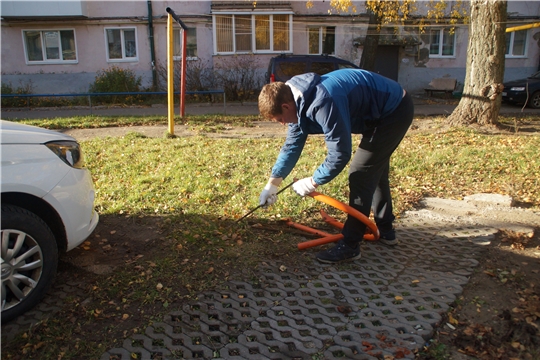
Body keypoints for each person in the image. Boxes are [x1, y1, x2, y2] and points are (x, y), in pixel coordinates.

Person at [257, 68, 414, 264]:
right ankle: (386, 230)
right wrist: (272, 185)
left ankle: (350, 245)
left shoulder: (323, 100)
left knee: (361, 173)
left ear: (286, 106)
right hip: (377, 113)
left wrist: (313, 181)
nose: (282, 124)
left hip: (394, 111)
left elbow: (340, 153)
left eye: (280, 119)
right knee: (374, 169)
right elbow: (291, 147)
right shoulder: (297, 99)